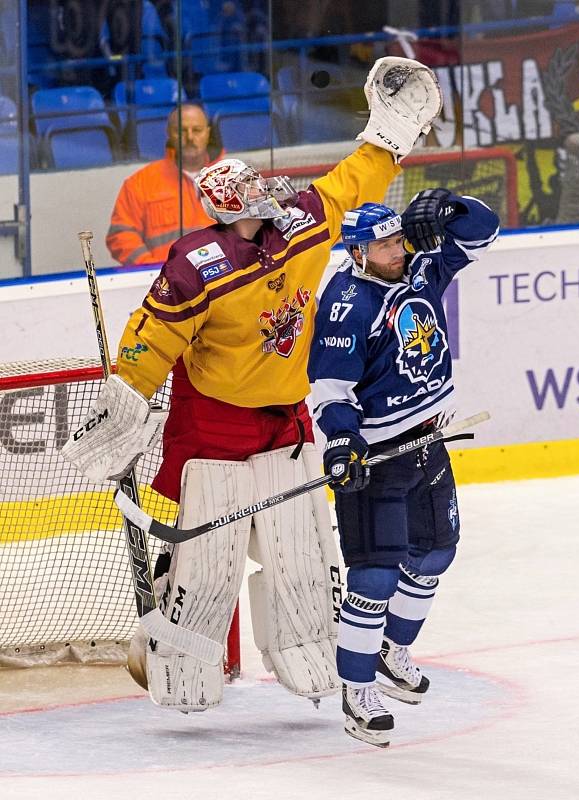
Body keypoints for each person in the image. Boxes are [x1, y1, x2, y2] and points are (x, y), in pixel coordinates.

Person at [62, 57, 443, 713]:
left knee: (301, 560)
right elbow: (150, 336)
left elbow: (352, 183)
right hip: (214, 423)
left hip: (285, 418)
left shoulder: (303, 222)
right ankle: (175, 658)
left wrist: (386, 139)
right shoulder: (195, 266)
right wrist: (124, 399)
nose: (268, 198)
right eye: (254, 193)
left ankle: (310, 648)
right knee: (209, 571)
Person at [308, 190, 499, 747]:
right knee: (373, 578)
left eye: (398, 237)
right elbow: (330, 390)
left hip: (429, 444)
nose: (399, 248)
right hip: (379, 461)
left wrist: (451, 204)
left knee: (436, 552)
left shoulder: (420, 270)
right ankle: (356, 690)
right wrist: (342, 445)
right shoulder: (348, 304)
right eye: (386, 243)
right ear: (359, 252)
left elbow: (483, 233)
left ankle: (394, 652)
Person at [106, 103, 222, 266]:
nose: (189, 137)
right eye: (181, 130)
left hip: (224, 281)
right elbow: (121, 235)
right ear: (169, 133)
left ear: (208, 133)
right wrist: (153, 270)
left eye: (197, 130)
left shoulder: (232, 178)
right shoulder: (140, 183)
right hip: (165, 284)